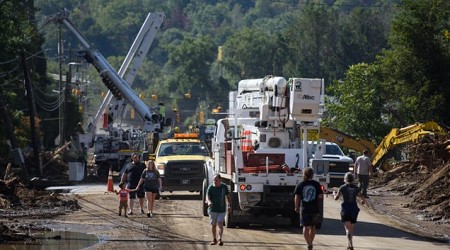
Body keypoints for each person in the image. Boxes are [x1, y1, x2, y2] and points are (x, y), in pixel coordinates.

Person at [333, 172, 366, 250]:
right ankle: (349, 244)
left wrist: (334, 193)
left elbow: (336, 198)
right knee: (351, 228)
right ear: (353, 179)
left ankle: (350, 244)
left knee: (347, 229)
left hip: (346, 209)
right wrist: (363, 201)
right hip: (354, 209)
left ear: (345, 179)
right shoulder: (355, 188)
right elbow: (361, 196)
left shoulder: (342, 187)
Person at [294, 167, 324, 250]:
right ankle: (311, 241)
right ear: (312, 175)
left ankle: (309, 243)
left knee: (305, 227)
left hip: (304, 208)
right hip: (314, 208)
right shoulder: (316, 184)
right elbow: (320, 196)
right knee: (313, 227)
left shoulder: (300, 184)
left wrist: (296, 207)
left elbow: (297, 197)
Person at [205, 174, 231, 246]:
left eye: (216, 180)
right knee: (213, 225)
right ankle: (214, 239)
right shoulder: (211, 187)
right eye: (214, 180)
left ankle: (220, 239)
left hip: (221, 210)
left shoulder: (224, 187)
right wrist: (209, 202)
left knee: (220, 224)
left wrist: (229, 206)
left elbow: (228, 196)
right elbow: (207, 197)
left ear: (220, 180)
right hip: (212, 209)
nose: (214, 181)